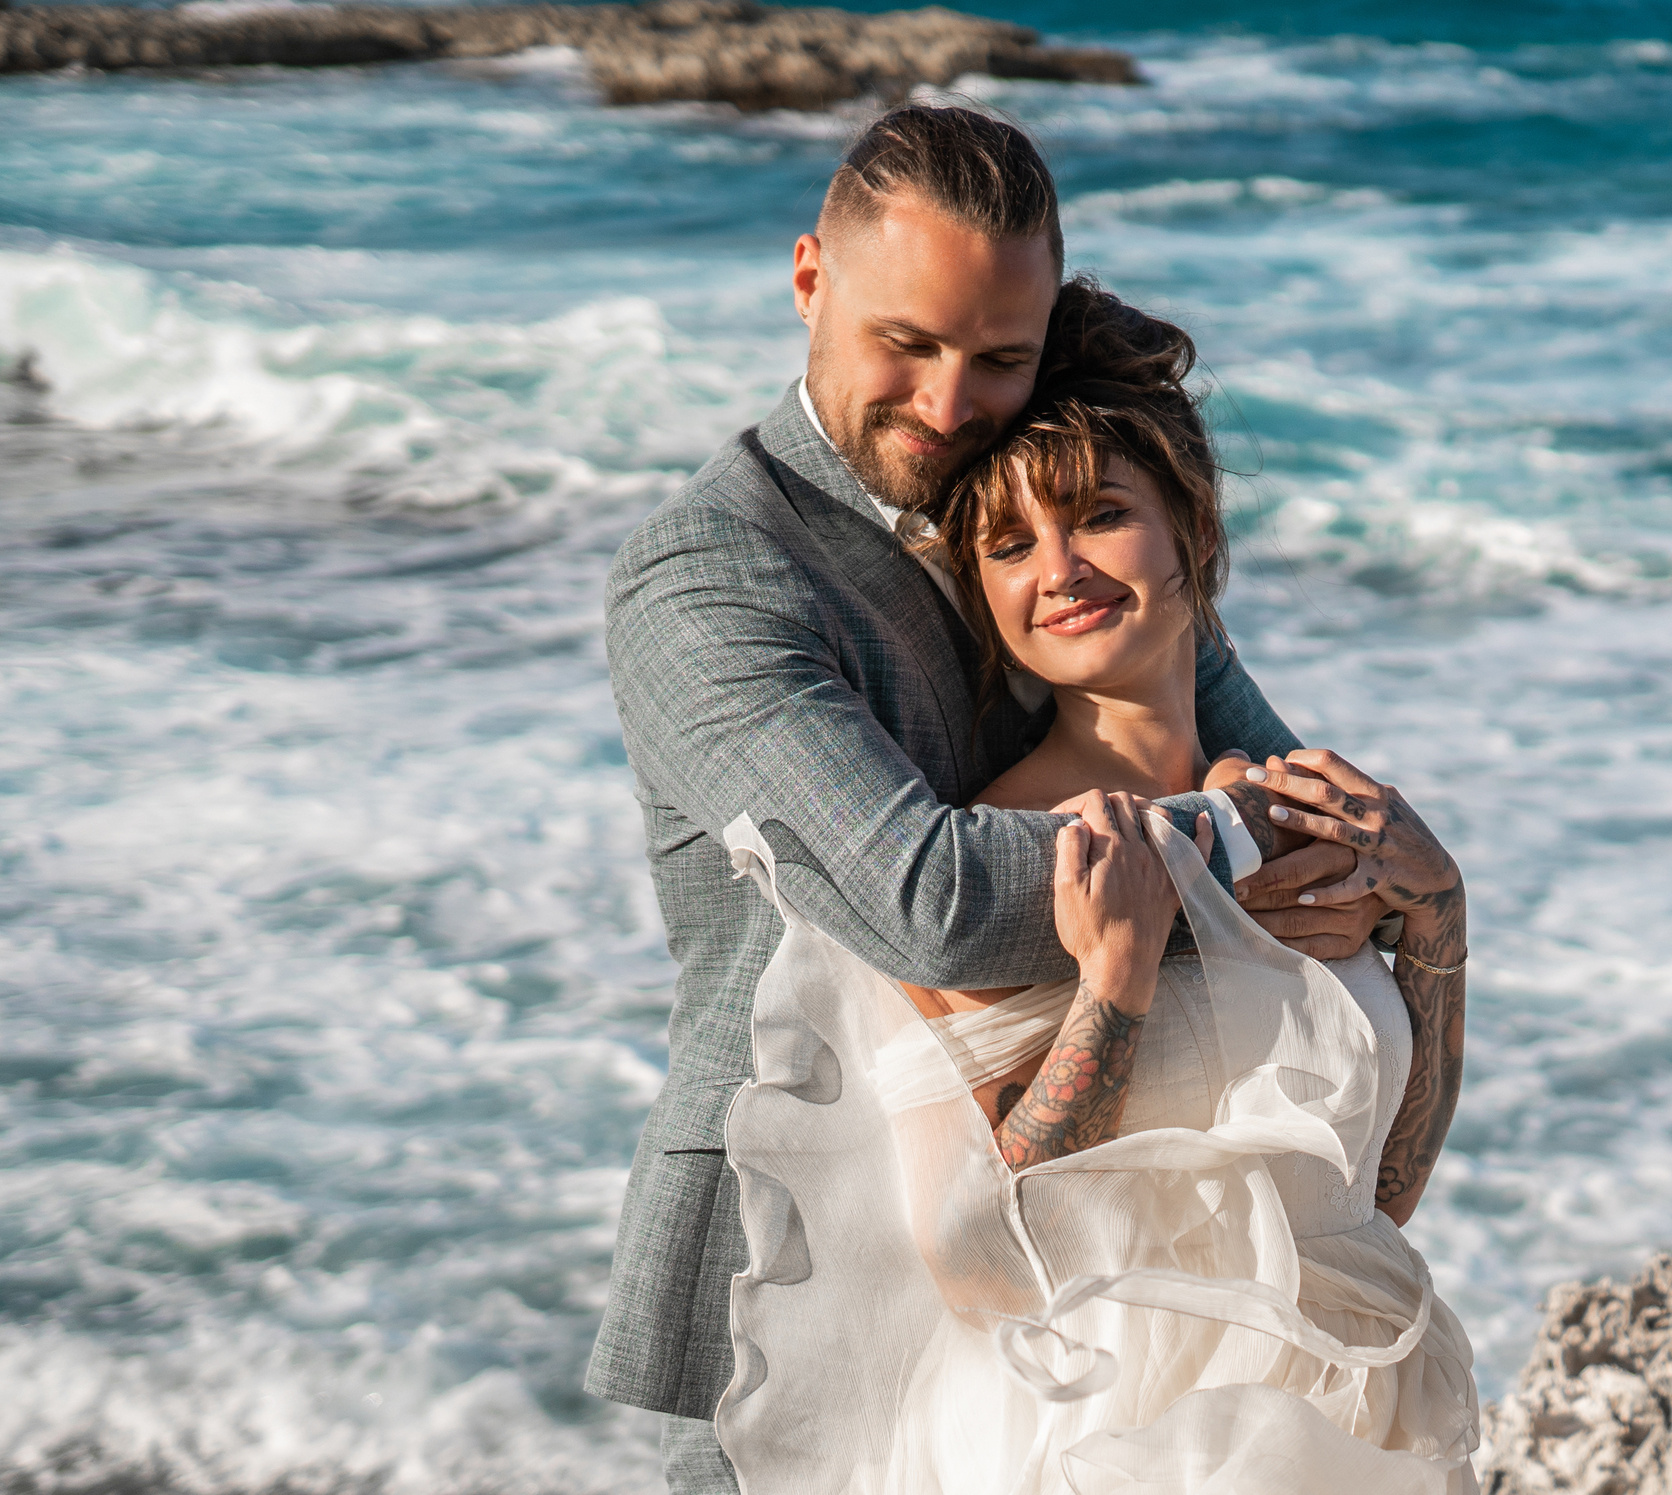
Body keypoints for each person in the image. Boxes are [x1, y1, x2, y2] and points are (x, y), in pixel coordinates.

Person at [590, 105, 1400, 1493]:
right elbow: (934, 900)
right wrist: (1241, 834)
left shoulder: (1047, 516)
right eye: (905, 343)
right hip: (795, 1282)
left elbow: (1287, 799)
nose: (951, 403)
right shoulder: (710, 577)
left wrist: (1404, 887)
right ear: (809, 279)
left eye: (1000, 357)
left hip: (1098, 1286)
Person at [710, 280, 1477, 1492]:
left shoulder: (1292, 820)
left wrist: (1438, 922)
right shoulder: (995, 854)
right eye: (1010, 546)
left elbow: (1373, 1197)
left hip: (1336, 1427)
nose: (1059, 569)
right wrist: (1112, 989)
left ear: (1194, 535)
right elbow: (974, 1262)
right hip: (1100, 1444)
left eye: (1101, 516)